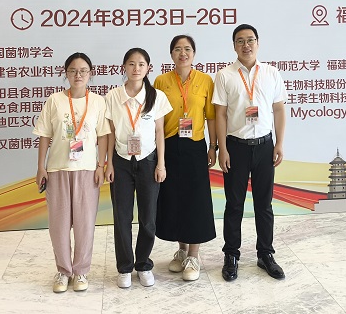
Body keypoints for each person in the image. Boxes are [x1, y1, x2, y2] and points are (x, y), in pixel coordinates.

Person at [212, 24, 287, 282]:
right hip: (236, 147)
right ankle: (231, 255)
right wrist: (222, 149)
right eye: (240, 41)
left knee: (264, 205)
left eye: (250, 40)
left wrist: (279, 143)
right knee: (234, 205)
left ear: (258, 43)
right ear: (234, 45)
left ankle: (265, 254)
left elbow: (279, 109)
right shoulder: (225, 75)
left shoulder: (271, 73)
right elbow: (220, 114)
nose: (246, 45)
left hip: (265, 146)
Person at [33, 52, 110, 293]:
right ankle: (63, 271)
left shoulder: (97, 101)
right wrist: (41, 167)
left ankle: (81, 271)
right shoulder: (54, 100)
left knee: (85, 225)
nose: (78, 75)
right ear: (65, 73)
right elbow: (44, 135)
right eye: (73, 70)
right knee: (58, 225)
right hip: (57, 169)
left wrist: (101, 166)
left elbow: (103, 136)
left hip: (87, 170)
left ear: (91, 73)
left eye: (83, 70)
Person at [105, 47, 172, 288]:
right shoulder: (112, 96)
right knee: (121, 217)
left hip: (148, 161)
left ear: (148, 68)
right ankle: (124, 267)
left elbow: (160, 132)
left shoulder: (157, 96)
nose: (136, 68)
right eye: (131, 64)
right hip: (121, 162)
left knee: (148, 217)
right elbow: (110, 132)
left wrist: (161, 164)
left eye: (141, 64)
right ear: (124, 67)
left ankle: (143, 264)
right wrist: (108, 163)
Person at [153, 35, 217, 281]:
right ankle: (181, 250)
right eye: (178, 49)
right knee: (174, 198)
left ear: (194, 53)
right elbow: (156, 119)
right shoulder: (161, 81)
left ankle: (194, 255)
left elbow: (211, 116)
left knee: (195, 199)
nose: (183, 53)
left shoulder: (205, 80)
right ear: (171, 54)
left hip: (195, 146)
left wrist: (213, 146)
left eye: (187, 49)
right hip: (169, 145)